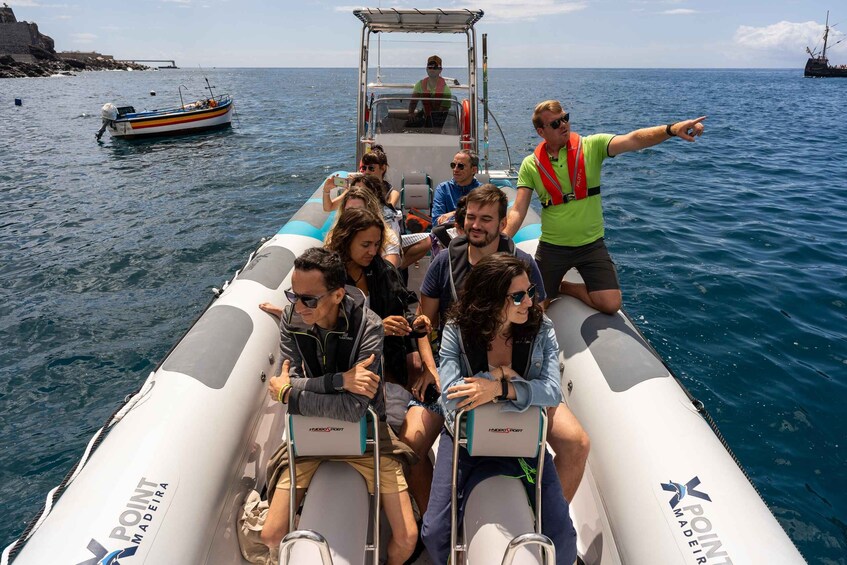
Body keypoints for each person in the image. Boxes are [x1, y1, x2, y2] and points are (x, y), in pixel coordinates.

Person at [414, 183, 589, 504]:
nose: (476, 225)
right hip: (453, 371)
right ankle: (431, 520)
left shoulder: (523, 265)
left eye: (486, 219)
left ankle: (545, 518)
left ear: (501, 224)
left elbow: (534, 325)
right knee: (411, 442)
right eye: (471, 217)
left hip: (514, 374)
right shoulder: (443, 264)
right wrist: (430, 369)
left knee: (576, 443)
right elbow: (423, 324)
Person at [258, 247, 418, 565]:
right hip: (310, 434)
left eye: (309, 299)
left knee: (407, 538)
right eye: (293, 296)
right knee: (271, 535)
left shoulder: (368, 327)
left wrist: (292, 394)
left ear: (337, 295)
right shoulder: (291, 320)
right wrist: (339, 382)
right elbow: (289, 387)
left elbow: (354, 408)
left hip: (369, 433)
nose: (298, 307)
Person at [420, 253, 577, 565]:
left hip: (525, 440)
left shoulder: (541, 328)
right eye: (517, 296)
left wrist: (498, 389)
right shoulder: (457, 329)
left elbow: (552, 392)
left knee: (564, 541)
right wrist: (498, 374)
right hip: (465, 441)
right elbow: (450, 398)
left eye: (530, 292)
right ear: (490, 298)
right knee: (435, 532)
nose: (529, 302)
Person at [505, 99, 707, 314]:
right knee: (534, 311)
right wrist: (503, 239)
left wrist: (672, 129)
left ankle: (564, 287)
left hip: (591, 245)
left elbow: (634, 139)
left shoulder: (592, 146)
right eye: (555, 123)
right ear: (540, 131)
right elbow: (519, 209)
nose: (563, 124)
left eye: (565, 118)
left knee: (611, 304)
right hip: (553, 246)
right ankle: (552, 287)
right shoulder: (530, 164)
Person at [431, 150, 481, 226]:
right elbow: (437, 222)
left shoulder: (482, 191)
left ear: (473, 170)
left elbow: (481, 221)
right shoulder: (443, 189)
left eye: (461, 166)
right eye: (453, 165)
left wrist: (453, 214)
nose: (455, 169)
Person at [407, 55, 452, 127]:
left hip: (439, 123)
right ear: (426, 69)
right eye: (430, 67)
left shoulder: (446, 90)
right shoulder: (420, 85)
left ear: (440, 70)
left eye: (435, 67)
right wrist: (411, 114)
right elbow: (413, 103)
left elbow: (442, 113)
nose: (432, 69)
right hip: (424, 119)